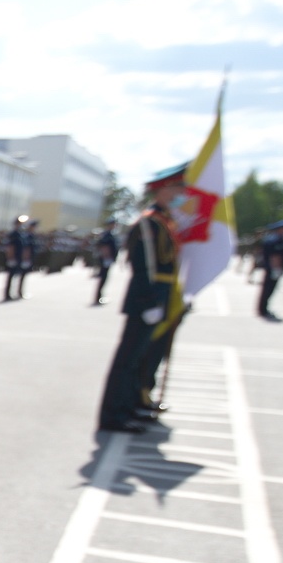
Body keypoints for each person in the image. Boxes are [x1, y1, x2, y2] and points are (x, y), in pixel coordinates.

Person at [97, 184, 181, 433]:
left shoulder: (164, 223)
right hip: (146, 301)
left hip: (159, 298)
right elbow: (143, 267)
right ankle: (114, 415)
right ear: (163, 191)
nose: (181, 196)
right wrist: (148, 303)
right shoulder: (148, 224)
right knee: (128, 361)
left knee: (140, 359)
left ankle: (130, 406)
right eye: (177, 189)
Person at [257, 220, 283, 320]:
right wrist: (276, 270)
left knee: (268, 290)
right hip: (273, 269)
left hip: (272, 269)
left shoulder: (276, 239)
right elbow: (275, 256)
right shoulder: (276, 240)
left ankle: (263, 309)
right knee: (268, 290)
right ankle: (263, 310)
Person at [91, 222, 119, 306]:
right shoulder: (107, 235)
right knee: (103, 278)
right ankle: (98, 297)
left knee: (104, 279)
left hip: (107, 259)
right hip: (106, 259)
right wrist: (106, 257)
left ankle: (99, 297)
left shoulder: (109, 234)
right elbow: (103, 246)